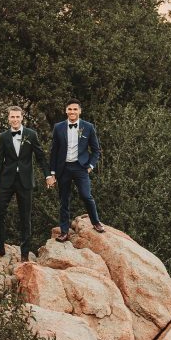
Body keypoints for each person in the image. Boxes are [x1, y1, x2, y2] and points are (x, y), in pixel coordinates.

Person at [0, 106, 47, 262]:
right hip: (6, 180)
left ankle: (24, 254)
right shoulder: (4, 137)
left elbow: (41, 157)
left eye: (17, 117)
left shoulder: (31, 134)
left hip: (25, 181)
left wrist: (48, 174)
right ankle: (0, 248)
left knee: (25, 217)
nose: (15, 120)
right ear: (8, 119)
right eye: (12, 117)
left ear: (22, 118)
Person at [46, 99, 104, 242]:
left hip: (81, 168)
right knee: (64, 200)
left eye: (75, 109)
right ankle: (64, 232)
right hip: (63, 168)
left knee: (86, 195)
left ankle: (96, 222)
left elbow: (96, 150)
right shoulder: (58, 127)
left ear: (79, 111)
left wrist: (90, 165)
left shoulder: (88, 127)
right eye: (69, 109)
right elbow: (54, 151)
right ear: (66, 111)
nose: (72, 112)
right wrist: (52, 173)